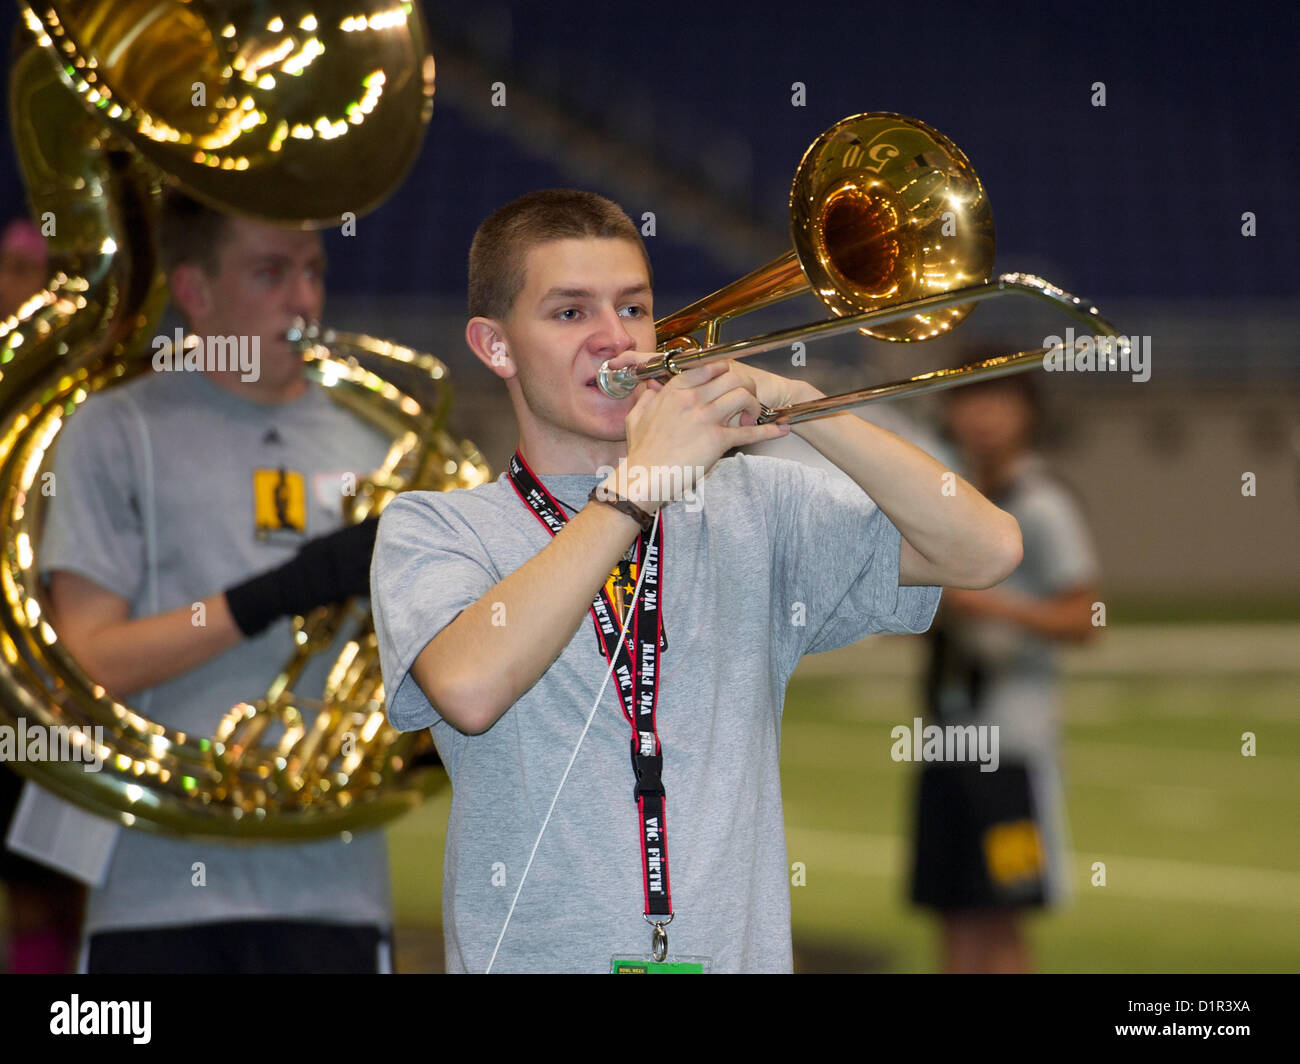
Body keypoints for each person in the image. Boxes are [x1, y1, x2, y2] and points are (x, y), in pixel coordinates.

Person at [370, 189, 1022, 973]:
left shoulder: (751, 507)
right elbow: (470, 688)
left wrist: (814, 408)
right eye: (570, 313)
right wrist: (639, 487)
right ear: (495, 345)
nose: (615, 339)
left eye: (634, 308)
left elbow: (985, 551)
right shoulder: (436, 528)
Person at [32, 191, 395, 973]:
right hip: (157, 894)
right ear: (194, 291)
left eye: (312, 271)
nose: (303, 298)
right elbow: (88, 661)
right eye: (270, 272)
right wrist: (273, 595)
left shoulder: (378, 443)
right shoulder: (116, 429)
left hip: (333, 892)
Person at [909, 373, 1100, 974]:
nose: (982, 416)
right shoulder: (951, 497)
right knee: (951, 909)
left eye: (998, 400)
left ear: (1028, 414)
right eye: (968, 400)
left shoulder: (1042, 503)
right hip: (945, 737)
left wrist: (990, 605)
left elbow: (1088, 616)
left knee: (1004, 911)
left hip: (1012, 748)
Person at [0, 216, 87, 974]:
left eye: (27, 270)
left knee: (64, 881)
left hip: (64, 677)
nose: (9, 286)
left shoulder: (88, 402)